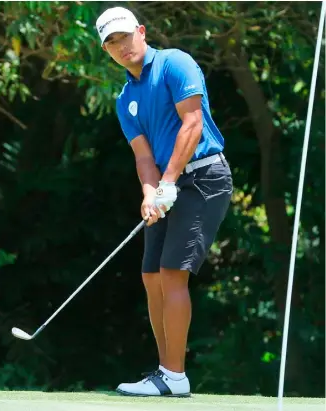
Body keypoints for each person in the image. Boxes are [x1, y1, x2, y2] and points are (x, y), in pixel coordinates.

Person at [96, 6, 233, 397]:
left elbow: (192, 124)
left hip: (204, 177)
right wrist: (149, 193)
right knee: (151, 275)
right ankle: (165, 372)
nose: (121, 46)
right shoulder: (126, 99)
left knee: (173, 272)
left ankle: (175, 376)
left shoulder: (176, 63)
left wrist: (169, 182)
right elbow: (142, 156)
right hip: (169, 183)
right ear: (106, 51)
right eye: (111, 43)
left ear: (141, 32)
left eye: (125, 36)